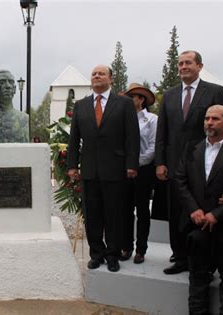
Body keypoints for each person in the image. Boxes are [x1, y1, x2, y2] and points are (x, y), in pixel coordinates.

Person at [155, 50, 223, 275]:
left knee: (200, 208)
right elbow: (162, 131)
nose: (183, 67)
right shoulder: (169, 95)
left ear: (200, 66)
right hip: (174, 165)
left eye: (188, 63)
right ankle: (179, 256)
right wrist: (160, 162)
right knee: (176, 209)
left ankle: (203, 258)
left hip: (205, 164)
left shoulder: (214, 91)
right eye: (180, 63)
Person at [175, 105, 223, 314]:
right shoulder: (191, 147)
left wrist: (217, 214)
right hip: (197, 225)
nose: (209, 122)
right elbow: (180, 181)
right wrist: (194, 210)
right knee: (198, 276)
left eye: (215, 119)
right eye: (207, 118)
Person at [67, 64, 139, 272]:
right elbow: (74, 139)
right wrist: (72, 165)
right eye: (94, 73)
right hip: (89, 170)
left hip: (116, 169)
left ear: (111, 79)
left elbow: (132, 136)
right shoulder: (81, 106)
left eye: (101, 73)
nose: (97, 76)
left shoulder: (124, 104)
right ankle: (96, 253)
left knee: (114, 215)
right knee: (93, 215)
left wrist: (131, 164)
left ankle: (113, 255)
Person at [121, 83, 158, 264]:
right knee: (125, 209)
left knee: (142, 210)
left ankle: (141, 249)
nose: (128, 101)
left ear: (141, 99)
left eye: (131, 97)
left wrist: (135, 164)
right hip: (124, 171)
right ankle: (126, 246)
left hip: (143, 169)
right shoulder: (122, 119)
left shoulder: (151, 120)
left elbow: (153, 147)